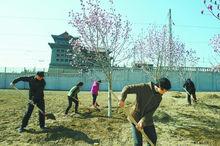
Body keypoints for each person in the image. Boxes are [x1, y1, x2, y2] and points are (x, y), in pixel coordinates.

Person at [118, 77, 171, 146]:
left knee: (153, 138)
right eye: (165, 90)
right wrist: (122, 99)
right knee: (138, 143)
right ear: (160, 87)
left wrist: (143, 120)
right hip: (135, 117)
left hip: (147, 119)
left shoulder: (159, 98)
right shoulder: (144, 87)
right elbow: (127, 88)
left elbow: (151, 111)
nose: (165, 92)